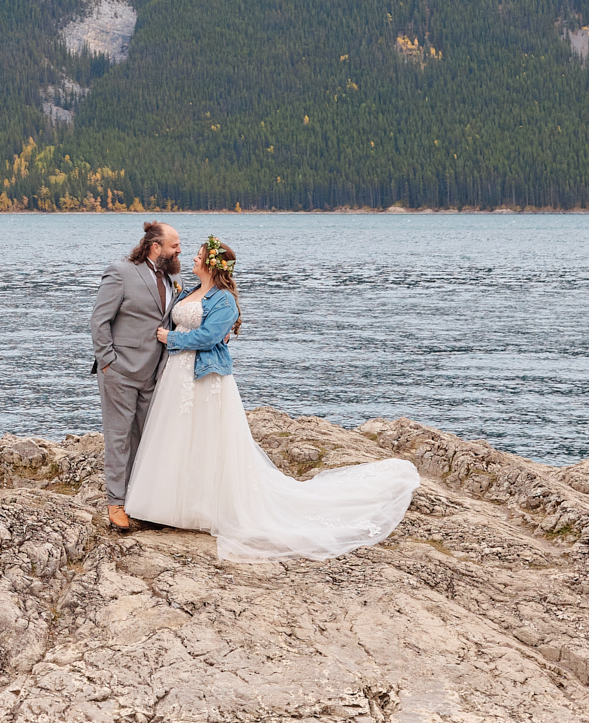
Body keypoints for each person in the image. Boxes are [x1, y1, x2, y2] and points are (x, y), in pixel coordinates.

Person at [123, 235, 419, 561]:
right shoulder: (190, 291)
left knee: (206, 439)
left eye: (199, 255)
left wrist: (172, 338)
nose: (192, 259)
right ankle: (164, 503)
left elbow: (208, 337)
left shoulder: (224, 301)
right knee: (176, 435)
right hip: (177, 376)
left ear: (212, 264)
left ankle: (201, 509)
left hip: (206, 377)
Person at [90, 220, 183, 534]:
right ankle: (115, 503)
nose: (179, 250)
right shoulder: (120, 272)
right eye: (174, 245)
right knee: (118, 439)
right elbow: (99, 320)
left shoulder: (172, 280)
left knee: (144, 440)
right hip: (120, 372)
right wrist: (108, 363)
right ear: (156, 247)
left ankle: (140, 501)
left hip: (153, 374)